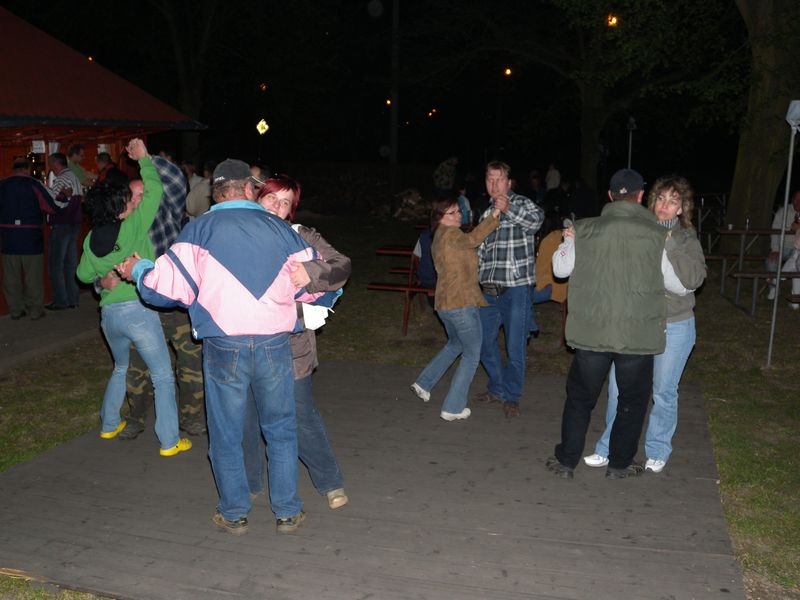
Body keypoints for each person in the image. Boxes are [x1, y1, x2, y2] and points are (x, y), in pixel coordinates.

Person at [116, 158, 321, 536]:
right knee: (280, 429)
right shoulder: (281, 230)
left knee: (226, 432)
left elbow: (165, 290)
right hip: (275, 344)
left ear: (215, 192)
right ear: (250, 189)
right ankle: (287, 512)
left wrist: (138, 269)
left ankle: (234, 513)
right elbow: (316, 286)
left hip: (224, 346)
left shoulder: (198, 230)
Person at [546, 168, 691, 480]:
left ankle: (566, 461)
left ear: (610, 196)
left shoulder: (584, 229)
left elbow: (560, 269)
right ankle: (619, 465)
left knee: (580, 400)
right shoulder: (655, 234)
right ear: (641, 197)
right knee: (632, 402)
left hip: (591, 335)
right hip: (636, 337)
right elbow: (679, 286)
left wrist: (566, 241)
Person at [583, 175, 706, 473]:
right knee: (618, 389)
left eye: (673, 201)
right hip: (635, 324)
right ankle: (608, 447)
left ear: (681, 208)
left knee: (663, 391)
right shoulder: (637, 229)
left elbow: (694, 279)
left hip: (673, 324)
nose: (664, 205)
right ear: (651, 201)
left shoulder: (687, 238)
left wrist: (669, 242)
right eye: (661, 199)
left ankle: (658, 448)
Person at [243, 173, 351, 510]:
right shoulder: (237, 234)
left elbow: (341, 265)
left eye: (285, 202)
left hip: (292, 345)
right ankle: (249, 483)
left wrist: (312, 272)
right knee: (246, 417)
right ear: (257, 198)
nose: (277, 207)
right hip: (245, 342)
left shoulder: (301, 235)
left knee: (301, 415)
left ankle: (329, 481)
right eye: (271, 198)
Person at [76, 138, 189, 457]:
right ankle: (169, 441)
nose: (132, 202)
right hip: (139, 312)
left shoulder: (90, 239)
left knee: (120, 367)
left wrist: (103, 277)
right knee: (163, 376)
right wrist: (143, 160)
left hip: (109, 316)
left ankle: (109, 424)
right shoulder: (134, 225)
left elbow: (83, 275)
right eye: (127, 200)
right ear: (119, 208)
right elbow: (155, 189)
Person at [111, 155, 206, 440]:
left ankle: (192, 418)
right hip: (139, 310)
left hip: (175, 308)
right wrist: (102, 282)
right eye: (133, 197)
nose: (138, 201)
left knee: (190, 363)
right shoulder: (119, 230)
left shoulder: (166, 219)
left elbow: (176, 181)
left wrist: (145, 158)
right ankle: (136, 418)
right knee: (137, 366)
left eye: (143, 195)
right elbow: (98, 266)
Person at [410, 194, 505, 420]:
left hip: (445, 304)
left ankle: (424, 383)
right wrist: (494, 215)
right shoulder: (452, 234)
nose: (458, 215)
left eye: (458, 211)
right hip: (461, 304)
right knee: (472, 354)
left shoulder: (439, 236)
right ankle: (453, 407)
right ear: (439, 217)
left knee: (455, 344)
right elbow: (473, 239)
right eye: (451, 212)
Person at [473, 161, 544, 418]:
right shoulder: (485, 213)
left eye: (499, 179)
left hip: (516, 289)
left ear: (509, 182)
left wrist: (508, 209)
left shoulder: (523, 203)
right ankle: (498, 387)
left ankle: (511, 395)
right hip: (488, 290)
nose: (494, 185)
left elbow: (536, 222)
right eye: (489, 180)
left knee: (515, 346)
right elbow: (479, 252)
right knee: (481, 341)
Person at [0, 160, 60, 320]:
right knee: (33, 277)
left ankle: (15, 310)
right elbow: (51, 207)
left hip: (8, 237)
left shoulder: (2, 185)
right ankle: (35, 310)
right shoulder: (34, 184)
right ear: (27, 169)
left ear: (13, 170)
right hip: (31, 236)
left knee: (10, 277)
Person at [46, 152, 83, 310]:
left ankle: (61, 300)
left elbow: (52, 201)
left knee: (56, 265)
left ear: (56, 163)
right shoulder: (74, 177)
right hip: (75, 224)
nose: (50, 167)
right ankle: (73, 299)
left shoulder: (61, 179)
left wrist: (44, 190)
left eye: (50, 164)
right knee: (70, 264)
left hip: (62, 224)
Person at [766, 190, 800, 300]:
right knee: (771, 261)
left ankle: (793, 293)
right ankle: (774, 289)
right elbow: (775, 231)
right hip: (783, 247)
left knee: (797, 262)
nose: (798, 202)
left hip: (797, 249)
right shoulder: (783, 211)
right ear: (792, 200)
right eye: (796, 199)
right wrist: (775, 249)